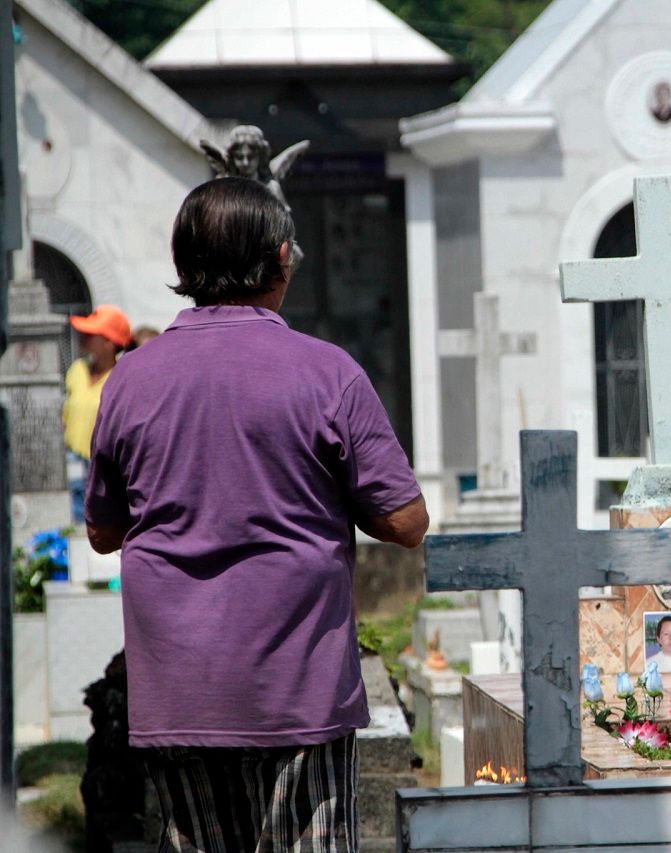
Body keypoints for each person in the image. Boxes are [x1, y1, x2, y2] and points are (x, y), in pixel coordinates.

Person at [84, 177, 428, 851]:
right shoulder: (328, 373)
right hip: (298, 691)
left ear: (185, 265)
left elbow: (103, 531)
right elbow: (405, 523)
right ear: (280, 259)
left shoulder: (129, 380)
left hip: (180, 691)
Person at [63, 305, 132, 522]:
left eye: (92, 334)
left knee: (103, 520)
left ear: (109, 343)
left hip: (104, 462)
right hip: (74, 456)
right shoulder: (78, 369)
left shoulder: (121, 377)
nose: (84, 337)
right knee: (78, 518)